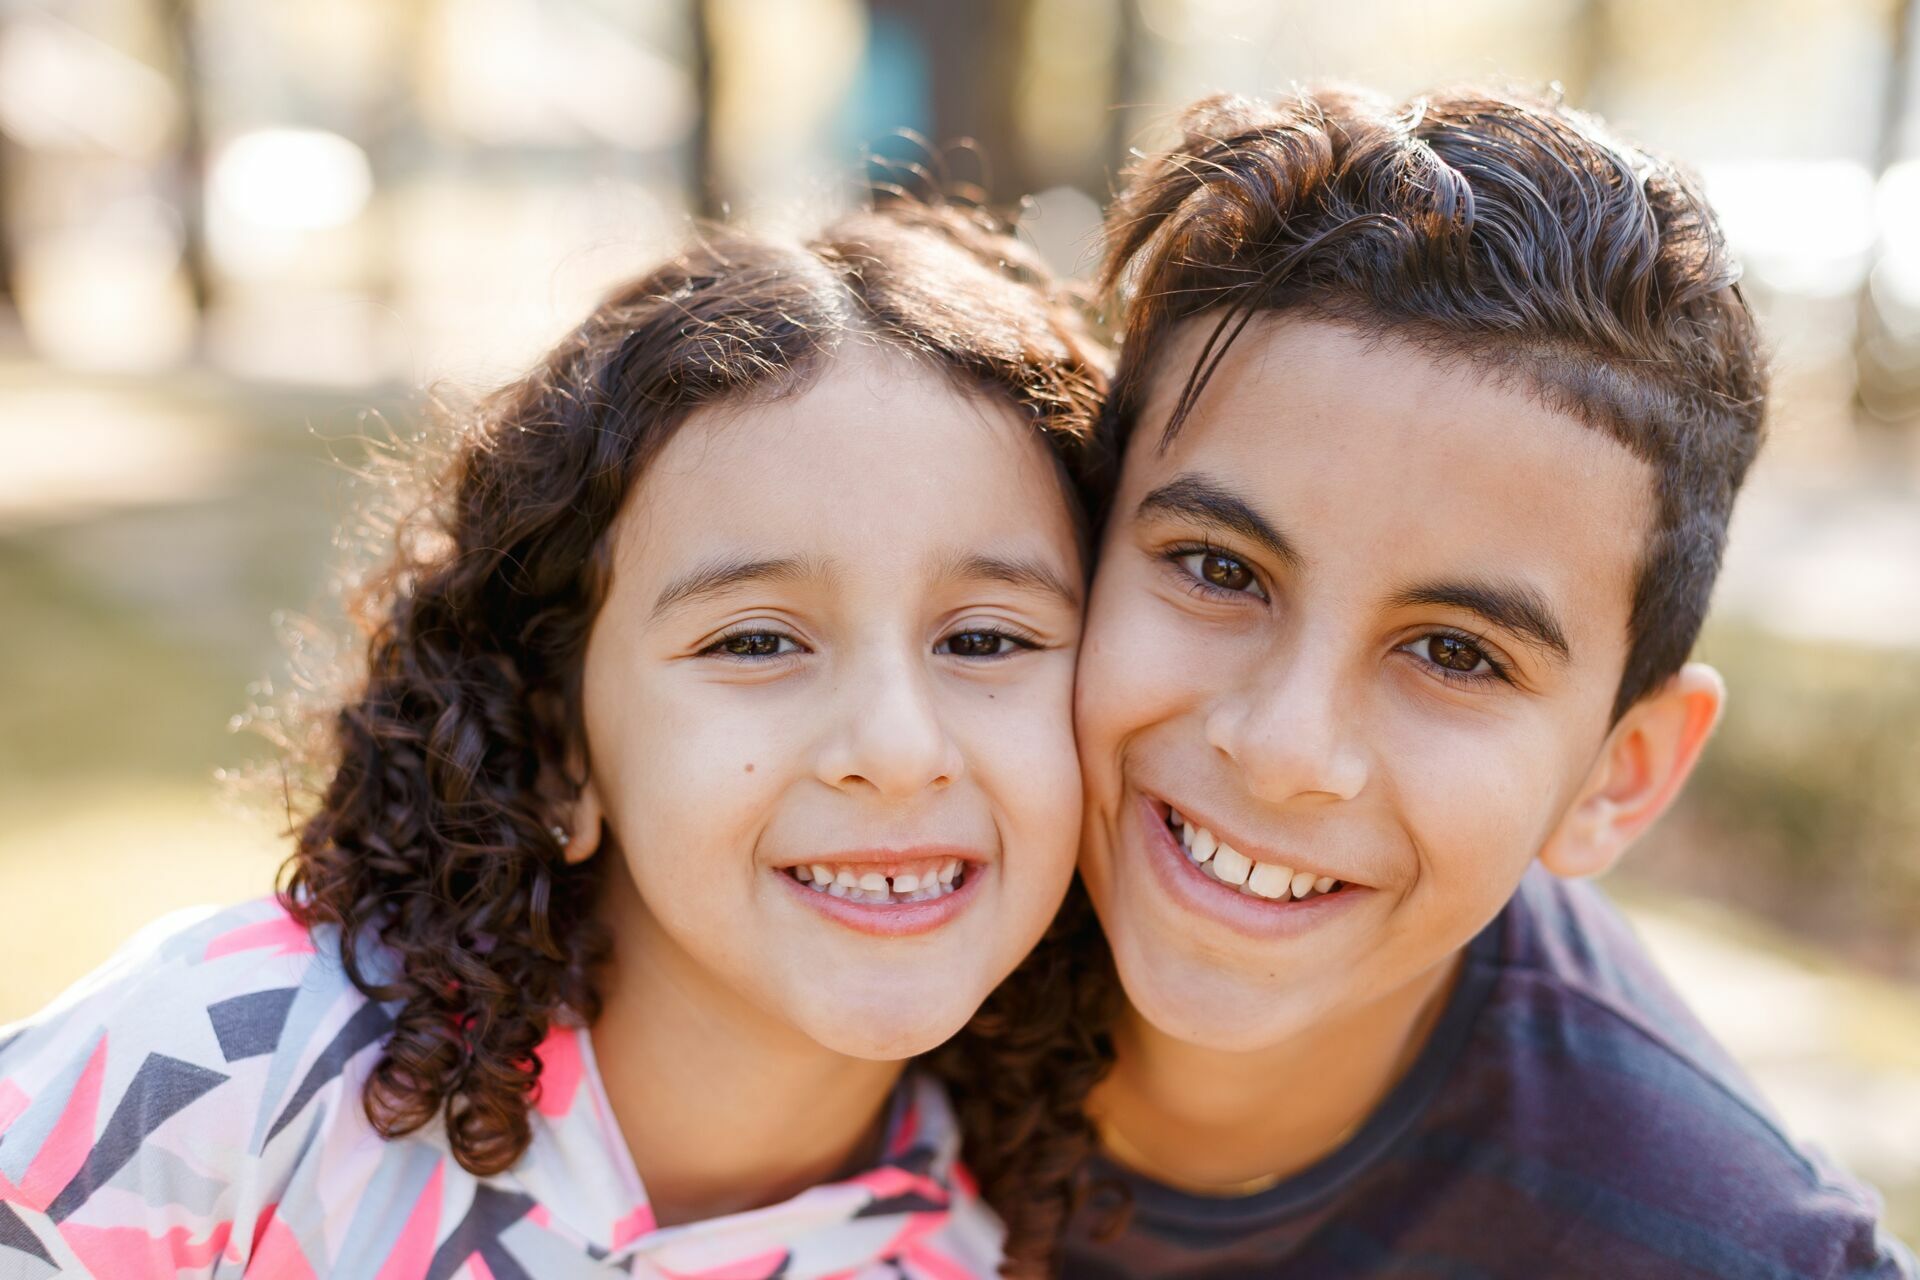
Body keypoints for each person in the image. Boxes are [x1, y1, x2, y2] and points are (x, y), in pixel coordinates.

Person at [0, 201, 1106, 1277]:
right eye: (757, 641)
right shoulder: (218, 1078)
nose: (899, 748)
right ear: (559, 743)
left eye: (986, 639)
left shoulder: (1009, 1243)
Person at [1023, 84, 1918, 1277]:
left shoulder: (1724, 1251)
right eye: (1219, 568)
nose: (1285, 748)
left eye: (1456, 651)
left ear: (1620, 775)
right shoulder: (853, 943)